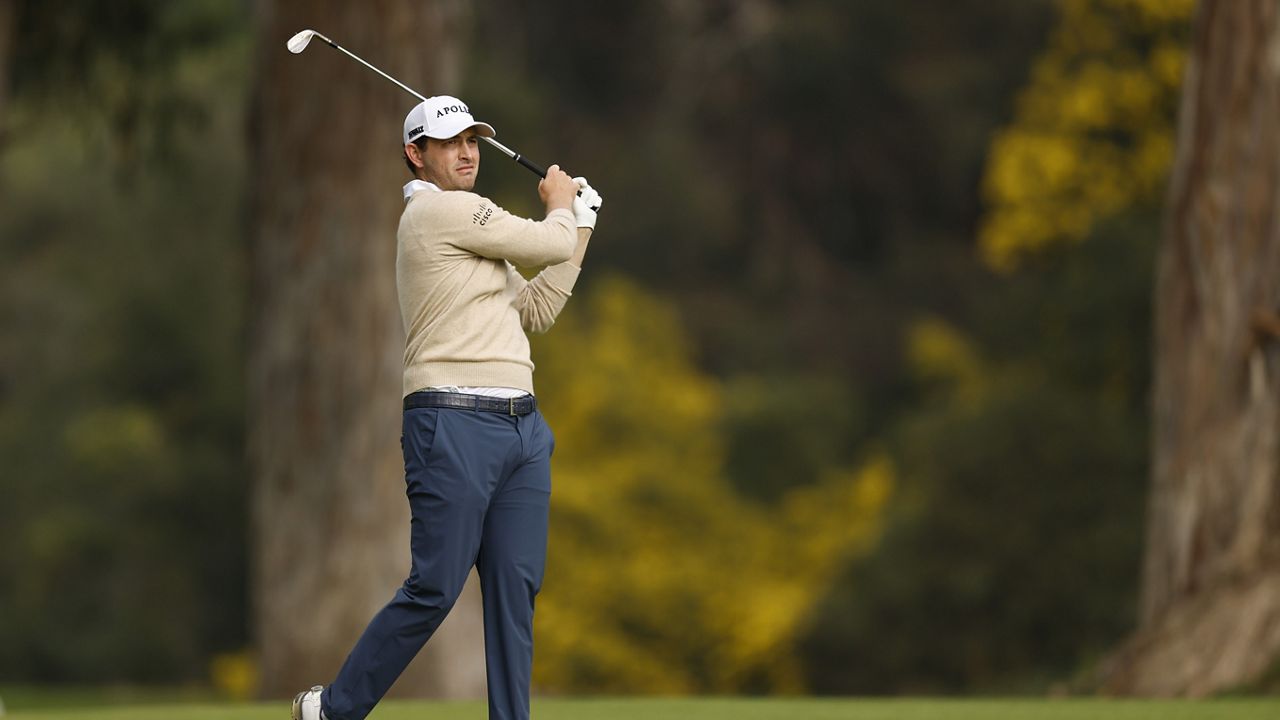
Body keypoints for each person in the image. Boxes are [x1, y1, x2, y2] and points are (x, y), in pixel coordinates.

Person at [292, 95, 602, 720]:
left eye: (473, 141)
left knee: (515, 594)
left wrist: (582, 229)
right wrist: (565, 207)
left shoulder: (475, 240)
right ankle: (332, 710)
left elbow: (538, 309)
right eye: (449, 142)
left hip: (522, 430)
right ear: (416, 155)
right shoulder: (437, 215)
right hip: (452, 423)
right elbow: (543, 244)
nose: (466, 152)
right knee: (435, 586)